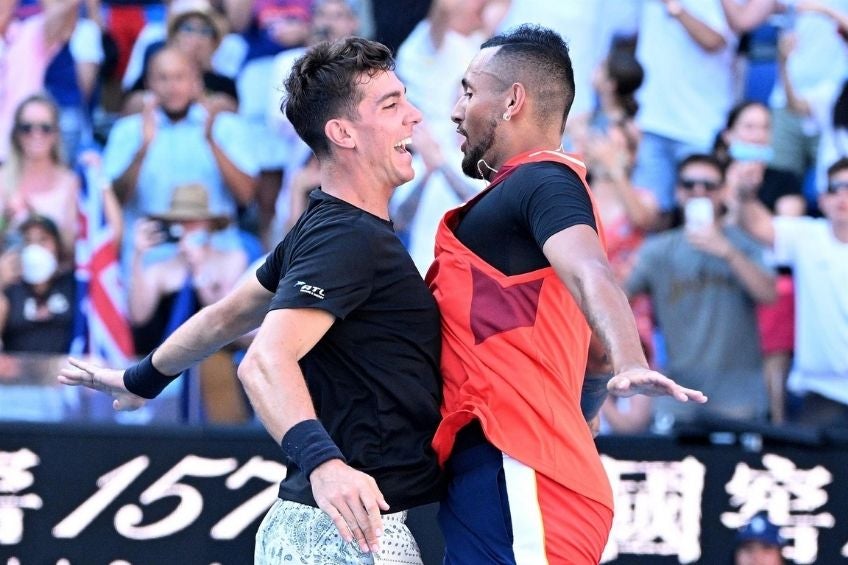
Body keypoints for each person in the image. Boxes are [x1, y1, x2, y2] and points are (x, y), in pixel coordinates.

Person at [59, 37, 442, 564]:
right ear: (342, 133)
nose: (415, 118)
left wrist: (141, 379)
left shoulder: (324, 225)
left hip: (332, 528)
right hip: (348, 533)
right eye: (392, 104)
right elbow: (263, 360)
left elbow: (226, 316)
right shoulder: (345, 238)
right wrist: (324, 465)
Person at [427, 24, 707, 564]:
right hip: (511, 469)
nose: (455, 111)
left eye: (467, 90)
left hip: (523, 469)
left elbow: (592, 274)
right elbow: (594, 354)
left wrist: (632, 359)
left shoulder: (544, 182)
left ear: (512, 100)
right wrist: (582, 407)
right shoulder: (521, 194)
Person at [626, 154, 776, 430]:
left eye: (708, 185)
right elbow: (620, 296)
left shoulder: (743, 243)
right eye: (689, 184)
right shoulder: (658, 250)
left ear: (722, 192)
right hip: (678, 394)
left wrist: (728, 252)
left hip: (738, 397)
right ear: (677, 192)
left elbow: (769, 294)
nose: (699, 191)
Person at [736, 157, 848, 429]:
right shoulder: (808, 236)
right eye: (835, 188)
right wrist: (744, 193)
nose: (843, 196)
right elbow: (757, 225)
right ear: (821, 200)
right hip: (821, 391)